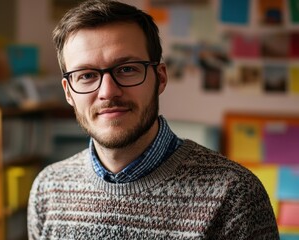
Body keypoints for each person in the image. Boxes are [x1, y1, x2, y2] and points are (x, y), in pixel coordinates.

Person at [27, 0, 279, 239]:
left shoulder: (234, 195)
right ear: (68, 92)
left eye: (127, 69)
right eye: (86, 75)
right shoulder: (48, 189)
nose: (107, 92)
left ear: (160, 78)